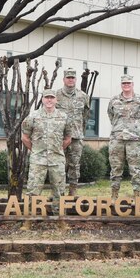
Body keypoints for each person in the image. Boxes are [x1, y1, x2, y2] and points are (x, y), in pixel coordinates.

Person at [22, 89, 72, 210]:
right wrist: (35, 150)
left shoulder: (64, 117)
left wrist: (58, 149)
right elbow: (25, 137)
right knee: (33, 190)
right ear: (43, 100)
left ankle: (59, 217)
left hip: (57, 160)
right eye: (47, 97)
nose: (49, 100)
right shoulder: (33, 116)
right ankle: (30, 217)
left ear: (56, 100)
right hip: (38, 160)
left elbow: (68, 138)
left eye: (52, 97)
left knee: (59, 191)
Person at [107, 74, 140, 199]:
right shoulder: (114, 100)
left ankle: (137, 195)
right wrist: (119, 128)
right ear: (121, 85)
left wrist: (137, 131)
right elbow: (111, 116)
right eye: (124, 83)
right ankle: (114, 195)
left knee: (135, 169)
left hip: (135, 140)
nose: (126, 85)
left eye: (128, 83)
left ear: (132, 84)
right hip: (117, 139)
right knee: (115, 168)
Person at [55, 67, 89, 197]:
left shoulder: (83, 96)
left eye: (72, 78)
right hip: (60, 136)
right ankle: (59, 191)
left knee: (74, 164)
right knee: (59, 164)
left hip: (76, 136)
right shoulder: (56, 95)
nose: (70, 80)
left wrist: (79, 130)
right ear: (63, 79)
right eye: (68, 77)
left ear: (76, 79)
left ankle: (73, 190)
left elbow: (85, 115)